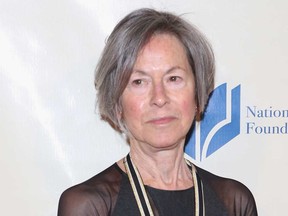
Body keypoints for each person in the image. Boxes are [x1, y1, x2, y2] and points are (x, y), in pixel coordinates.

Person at [58, 8, 257, 216]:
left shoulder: (234, 201)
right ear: (117, 105)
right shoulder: (89, 205)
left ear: (197, 94)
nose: (159, 98)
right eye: (139, 82)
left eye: (173, 79)